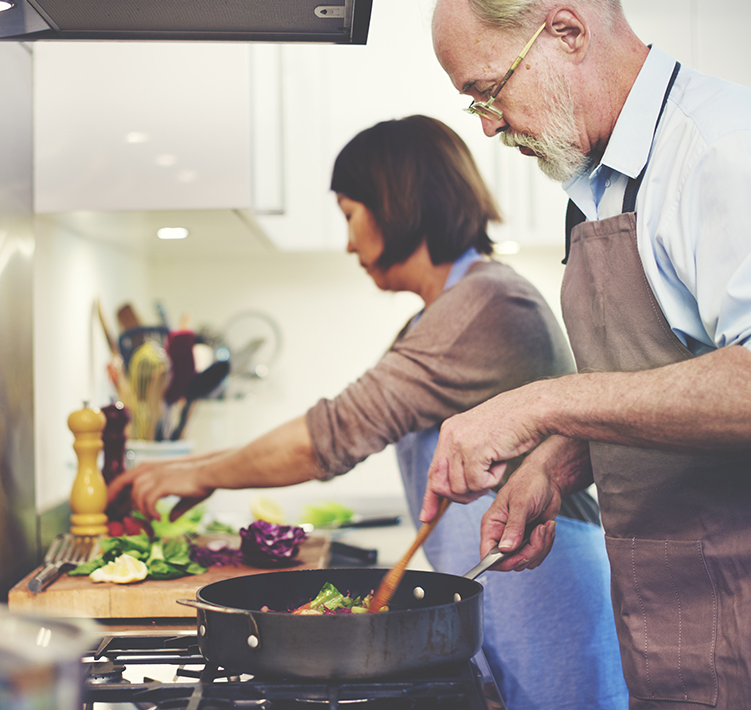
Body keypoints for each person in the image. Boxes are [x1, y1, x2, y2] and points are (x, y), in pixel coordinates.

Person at [423, 0, 751, 708]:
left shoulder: (728, 147)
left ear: (566, 31)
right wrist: (558, 463)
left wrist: (543, 405)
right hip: (681, 632)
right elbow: (679, 374)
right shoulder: (602, 187)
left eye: (488, 90)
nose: (487, 123)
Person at [108, 115, 629, 710]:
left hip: (546, 591)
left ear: (395, 204)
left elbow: (328, 437)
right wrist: (196, 466)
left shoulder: (487, 303)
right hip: (507, 588)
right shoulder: (449, 310)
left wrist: (194, 473)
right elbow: (342, 424)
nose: (350, 242)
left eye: (350, 214)